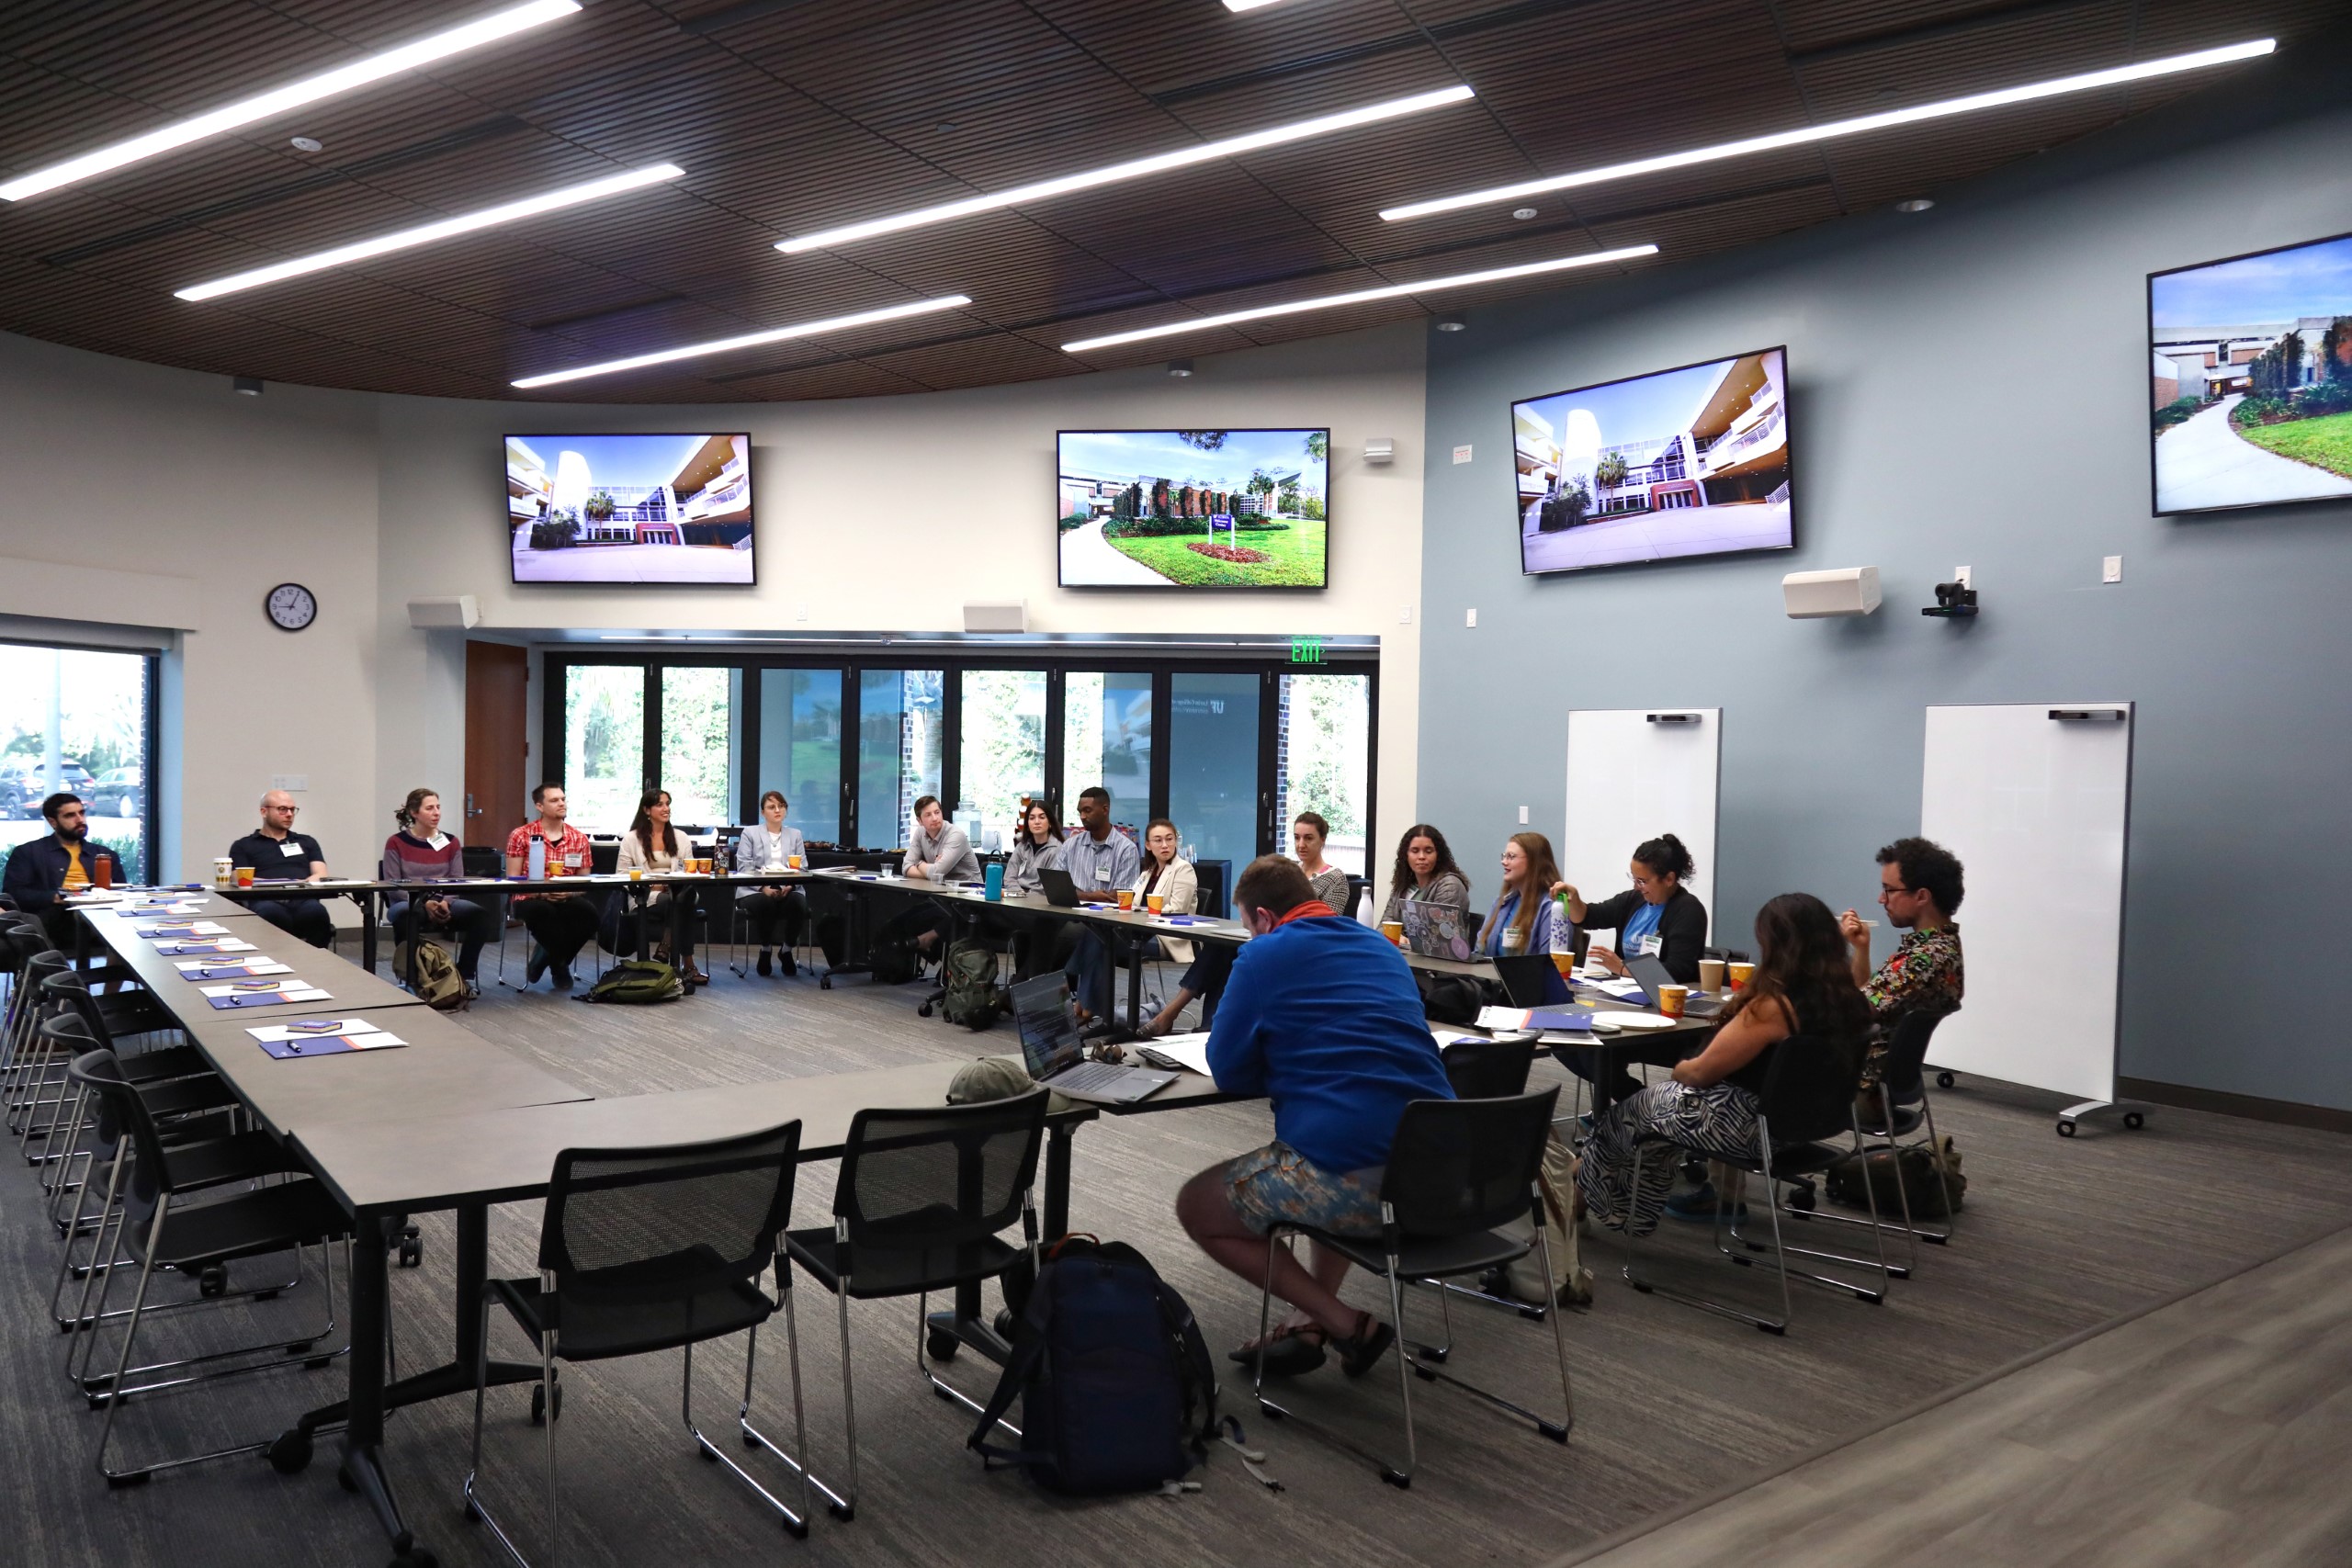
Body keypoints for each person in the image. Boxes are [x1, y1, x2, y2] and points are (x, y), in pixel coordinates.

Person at [1174, 855, 1453, 1379]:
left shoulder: (1262, 956)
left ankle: (1347, 1324)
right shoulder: (1382, 947)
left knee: (1199, 1205)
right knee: (1323, 1156)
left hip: (1361, 1182)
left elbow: (1228, 1070)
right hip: (1442, 1173)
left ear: (1262, 917)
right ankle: (1310, 1320)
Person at [1576, 893, 1870, 1238]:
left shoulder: (1774, 1007)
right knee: (1654, 1114)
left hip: (1752, 1130)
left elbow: (1700, 1074)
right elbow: (1858, 979)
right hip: (1811, 1124)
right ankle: (1617, 1201)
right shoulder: (1849, 1000)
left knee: (1630, 1113)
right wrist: (1862, 950)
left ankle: (1583, 1199)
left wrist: (1678, 1071)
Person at [1840, 836, 1965, 1110]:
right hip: (1881, 1083)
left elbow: (1851, 1013)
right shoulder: (1939, 947)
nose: (1881, 899)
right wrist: (1861, 949)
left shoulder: (1924, 959)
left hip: (1861, 1087)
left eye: (1889, 890)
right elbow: (1865, 1000)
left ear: (1921, 896)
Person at [1066, 818, 1194, 1020]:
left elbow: (1176, 909)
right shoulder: (1148, 872)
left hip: (1165, 937)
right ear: (1148, 845)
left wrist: (1141, 911)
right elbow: (1132, 900)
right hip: (1141, 931)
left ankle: (1086, 1006)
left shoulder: (1183, 869)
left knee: (1101, 941)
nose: (1164, 845)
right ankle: (1086, 1005)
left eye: (1169, 839)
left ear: (1176, 842)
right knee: (1096, 934)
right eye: (1158, 840)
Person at [379, 787, 498, 990]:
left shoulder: (450, 842)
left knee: (481, 916)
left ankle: (462, 976)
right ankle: (412, 978)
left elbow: (456, 879)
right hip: (408, 901)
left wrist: (445, 901)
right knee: (405, 915)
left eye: (438, 807)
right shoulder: (396, 842)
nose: (436, 813)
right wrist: (425, 904)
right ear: (414, 813)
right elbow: (393, 884)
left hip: (445, 902)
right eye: (429, 808)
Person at [1555, 833, 1708, 983]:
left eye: (1642, 881)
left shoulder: (1688, 910)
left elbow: (1677, 971)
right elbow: (1587, 917)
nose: (1636, 887)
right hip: (1628, 991)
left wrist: (1622, 968)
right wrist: (1573, 900)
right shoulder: (1632, 900)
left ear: (1669, 879)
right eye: (1634, 879)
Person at [1044, 787, 1140, 1020]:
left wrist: (1080, 893)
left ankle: (1077, 1004)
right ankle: (1051, 1001)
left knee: (1091, 934)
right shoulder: (1071, 845)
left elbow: (1120, 896)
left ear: (1105, 810)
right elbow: (1057, 885)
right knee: (1040, 928)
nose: (1083, 816)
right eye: (1080, 811)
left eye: (1087, 810)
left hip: (1111, 924)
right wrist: (1091, 895)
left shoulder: (1126, 849)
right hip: (1069, 914)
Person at [505, 783, 599, 991]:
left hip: (566, 895)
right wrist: (541, 892)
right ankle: (559, 966)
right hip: (529, 897)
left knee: (589, 914)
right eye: (554, 800)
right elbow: (513, 879)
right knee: (543, 911)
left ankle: (543, 956)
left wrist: (569, 892)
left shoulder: (578, 838)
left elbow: (584, 881)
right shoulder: (521, 835)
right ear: (539, 806)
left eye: (563, 799)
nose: (561, 804)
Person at [611, 788, 707, 984]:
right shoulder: (632, 839)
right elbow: (622, 875)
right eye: (660, 804)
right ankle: (688, 964)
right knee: (683, 904)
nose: (666, 808)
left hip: (677, 891)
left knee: (681, 899)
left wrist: (672, 884)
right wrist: (651, 886)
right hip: (645, 895)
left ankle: (666, 946)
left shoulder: (681, 837)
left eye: (668, 804)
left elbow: (690, 871)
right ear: (647, 810)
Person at [3, 793, 119, 951]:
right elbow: (14, 894)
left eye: (82, 813)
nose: (80, 820)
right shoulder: (28, 852)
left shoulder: (104, 855)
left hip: (100, 914)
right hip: (56, 918)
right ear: (53, 822)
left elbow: (121, 890)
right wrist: (57, 897)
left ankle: (115, 973)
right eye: (70, 815)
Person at [228, 789, 334, 947]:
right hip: (265, 899)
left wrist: (301, 884)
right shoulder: (244, 845)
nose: (289, 814)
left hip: (302, 898)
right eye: (282, 809)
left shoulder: (306, 842)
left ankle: (315, 962)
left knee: (316, 912)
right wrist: (279, 884)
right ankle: (279, 962)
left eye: (292, 810)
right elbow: (239, 877)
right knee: (272, 914)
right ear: (264, 812)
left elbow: (321, 873)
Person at [880, 795, 978, 962]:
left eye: (937, 812)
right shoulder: (920, 834)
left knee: (950, 915)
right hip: (942, 896)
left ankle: (933, 946)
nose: (934, 818)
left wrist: (918, 864)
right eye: (928, 815)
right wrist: (927, 867)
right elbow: (905, 868)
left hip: (968, 896)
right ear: (920, 821)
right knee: (904, 920)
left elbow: (936, 872)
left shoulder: (956, 835)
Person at [734, 790, 811, 976]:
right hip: (754, 889)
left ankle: (786, 950)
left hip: (787, 887)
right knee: (765, 903)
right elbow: (744, 867)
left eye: (781, 806)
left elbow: (803, 867)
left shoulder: (795, 834)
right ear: (763, 812)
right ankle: (766, 949)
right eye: (771, 807)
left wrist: (789, 887)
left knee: (798, 903)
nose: (777, 810)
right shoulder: (750, 833)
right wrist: (764, 888)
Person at [1001, 800, 1066, 980]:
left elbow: (1050, 887)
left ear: (1050, 822)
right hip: (1018, 903)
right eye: (1032, 818)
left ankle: (1021, 984)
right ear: (1027, 823)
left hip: (1042, 909)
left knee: (1040, 928)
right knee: (980, 913)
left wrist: (1026, 896)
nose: (1036, 822)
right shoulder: (1022, 846)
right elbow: (1009, 878)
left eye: (1042, 817)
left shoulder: (1058, 849)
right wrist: (1019, 894)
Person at [1381, 822, 1472, 923]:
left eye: (1428, 851)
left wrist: (1397, 937)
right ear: (1405, 855)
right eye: (1415, 851)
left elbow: (1439, 934)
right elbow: (1383, 926)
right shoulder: (1403, 885)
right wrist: (1396, 936)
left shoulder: (1450, 886)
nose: (1421, 857)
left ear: (1438, 855)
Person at [1290, 811, 1352, 914]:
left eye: (1308, 838)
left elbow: (1328, 923)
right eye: (1297, 838)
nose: (1301, 845)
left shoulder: (1335, 879)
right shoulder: (1288, 870)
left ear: (1322, 840)